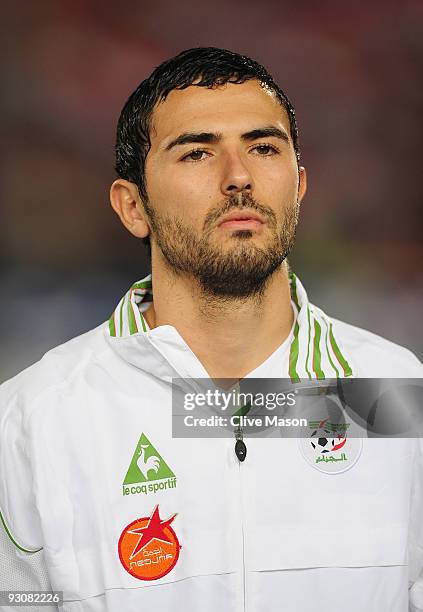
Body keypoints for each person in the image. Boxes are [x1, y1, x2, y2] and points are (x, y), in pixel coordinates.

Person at [0, 47, 422, 612]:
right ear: (132, 207)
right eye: (197, 152)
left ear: (298, 186)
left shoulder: (396, 391)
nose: (239, 177)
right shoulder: (34, 416)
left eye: (264, 147)